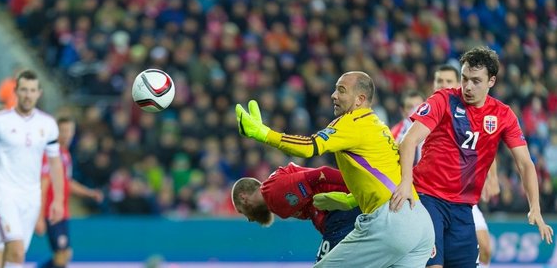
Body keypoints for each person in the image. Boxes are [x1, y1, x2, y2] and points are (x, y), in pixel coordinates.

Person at [236, 71, 434, 267]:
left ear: (359, 99)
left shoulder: (351, 122)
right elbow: (383, 174)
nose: (334, 95)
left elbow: (309, 146)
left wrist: (265, 134)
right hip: (419, 221)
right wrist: (350, 200)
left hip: (391, 220)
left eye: (341, 90)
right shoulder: (377, 125)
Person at [391, 47, 554, 268]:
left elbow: (525, 164)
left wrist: (534, 206)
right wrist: (406, 182)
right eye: (464, 79)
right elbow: (408, 142)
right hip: (428, 198)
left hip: (463, 206)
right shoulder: (443, 99)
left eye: (476, 81)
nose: (467, 87)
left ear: (491, 81)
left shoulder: (503, 115)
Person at [0, 70, 65, 268]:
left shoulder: (48, 124)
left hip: (31, 198)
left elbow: (55, 163)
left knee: (13, 256)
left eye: (32, 90)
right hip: (3, 194)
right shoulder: (0, 121)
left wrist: (58, 200)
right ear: (16, 92)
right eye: (24, 90)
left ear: (39, 93)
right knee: (13, 251)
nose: (28, 94)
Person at [432, 64, 499, 267]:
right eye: (439, 81)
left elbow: (484, 144)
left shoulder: (467, 111)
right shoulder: (427, 112)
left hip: (461, 197)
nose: (443, 85)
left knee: (485, 248)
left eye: (448, 81)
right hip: (429, 196)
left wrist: (492, 176)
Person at [231, 163, 360, 262]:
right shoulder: (274, 202)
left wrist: (360, 187)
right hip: (339, 213)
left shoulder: (274, 192)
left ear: (243, 197)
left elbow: (322, 173)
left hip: (343, 207)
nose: (249, 219)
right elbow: (312, 204)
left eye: (242, 211)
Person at [35, 116, 103, 268]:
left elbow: (68, 182)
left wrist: (89, 193)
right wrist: (39, 217)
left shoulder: (65, 154)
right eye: (63, 130)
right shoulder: (51, 154)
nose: (67, 134)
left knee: (65, 254)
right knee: (61, 255)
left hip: (62, 212)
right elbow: (43, 184)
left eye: (70, 131)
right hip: (51, 212)